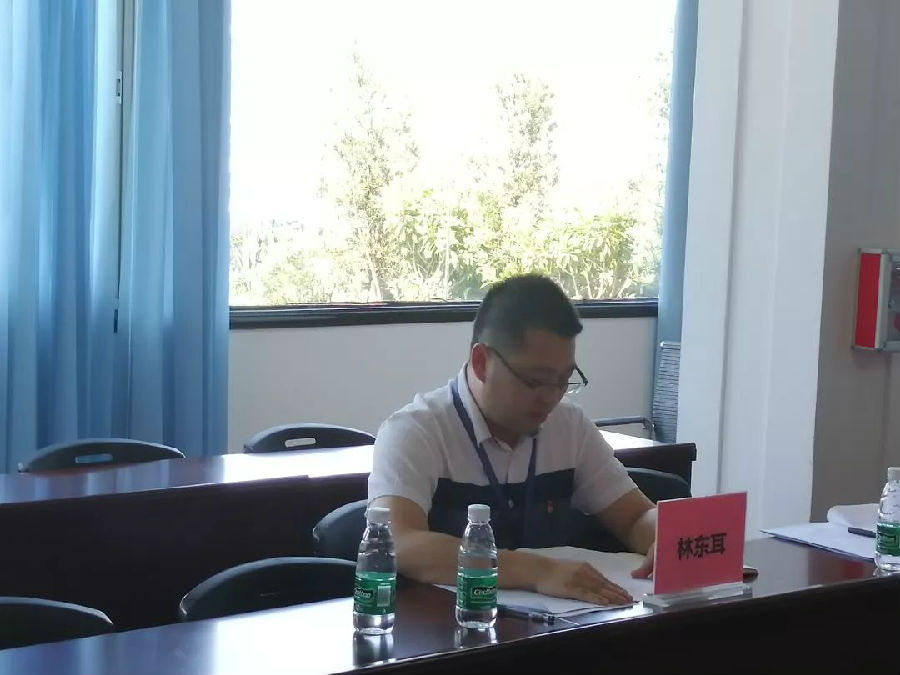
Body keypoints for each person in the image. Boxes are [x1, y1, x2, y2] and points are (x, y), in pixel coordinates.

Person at [368, 274, 656, 605]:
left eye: (564, 380)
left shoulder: (569, 426)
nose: (551, 396)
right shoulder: (416, 431)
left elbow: (636, 516)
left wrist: (664, 536)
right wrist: (536, 571)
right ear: (481, 362)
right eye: (535, 380)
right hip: (450, 624)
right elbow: (398, 542)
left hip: (558, 624)